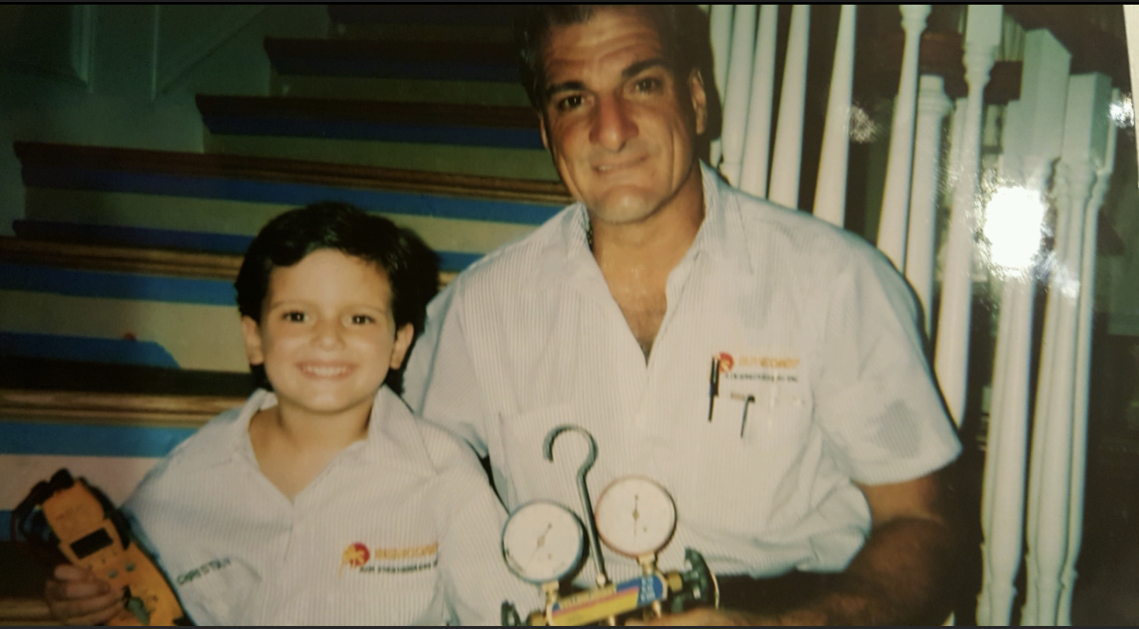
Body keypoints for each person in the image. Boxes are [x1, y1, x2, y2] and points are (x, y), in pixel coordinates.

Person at [402, 5, 963, 625]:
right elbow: (402, 496)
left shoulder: (835, 284)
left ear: (696, 100)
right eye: (573, 100)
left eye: (642, 85)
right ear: (544, 130)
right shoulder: (480, 309)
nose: (610, 131)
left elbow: (922, 523)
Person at [43, 203, 538, 625]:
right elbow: (125, 588)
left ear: (398, 344)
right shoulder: (191, 474)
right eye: (297, 316)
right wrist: (81, 603)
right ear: (255, 337)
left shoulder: (442, 472)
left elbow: (507, 610)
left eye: (359, 318)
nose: (328, 338)